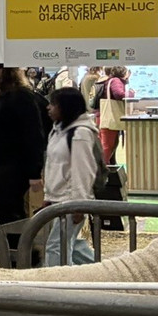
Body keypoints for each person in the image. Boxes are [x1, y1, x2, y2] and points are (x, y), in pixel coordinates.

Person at [0, 65, 48, 263]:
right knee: (1, 213)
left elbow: (33, 134)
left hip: (15, 164)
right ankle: (16, 256)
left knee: (8, 213)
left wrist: (34, 172)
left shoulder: (21, 96)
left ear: (4, 69)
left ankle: (25, 257)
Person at [42, 88, 100, 267]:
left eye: (53, 104)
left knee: (56, 247)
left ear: (65, 107)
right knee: (72, 245)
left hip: (70, 200)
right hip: (58, 198)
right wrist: (48, 196)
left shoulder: (80, 133)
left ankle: (57, 286)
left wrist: (79, 204)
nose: (48, 108)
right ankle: (100, 272)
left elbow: (83, 170)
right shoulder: (58, 130)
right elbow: (53, 165)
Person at [94, 66, 131, 163]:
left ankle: (104, 168)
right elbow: (119, 94)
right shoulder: (116, 81)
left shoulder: (110, 80)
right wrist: (130, 93)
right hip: (109, 117)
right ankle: (100, 169)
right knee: (107, 145)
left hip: (103, 116)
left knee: (107, 145)